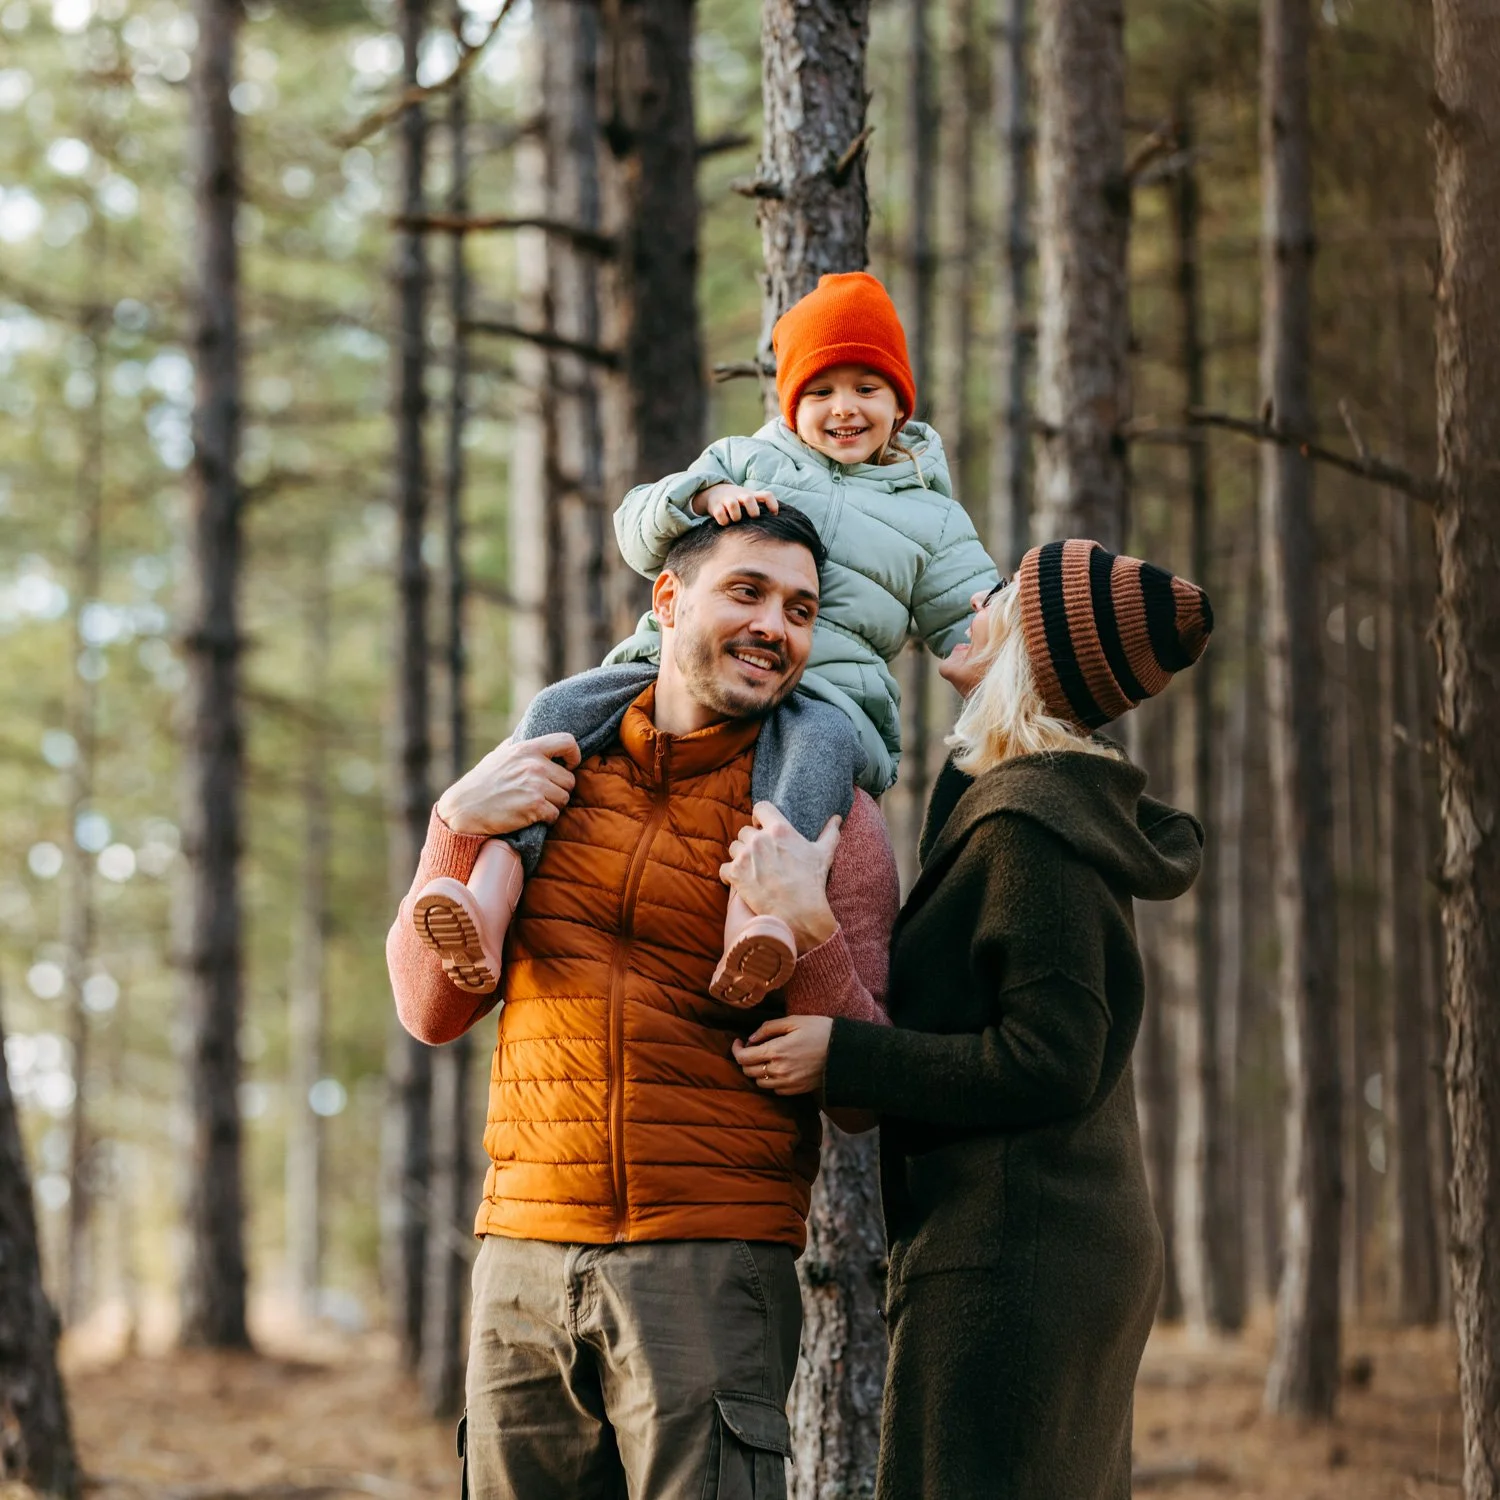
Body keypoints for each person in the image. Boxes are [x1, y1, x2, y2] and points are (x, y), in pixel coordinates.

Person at [386, 507, 900, 1500]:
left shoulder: (834, 819)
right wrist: (453, 828)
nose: (775, 627)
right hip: (522, 1258)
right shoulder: (546, 774)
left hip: (712, 1262)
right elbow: (430, 1012)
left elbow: (861, 1092)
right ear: (669, 598)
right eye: (747, 592)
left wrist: (810, 925)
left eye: (800, 611)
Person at [726, 538, 1213, 1500]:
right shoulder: (1027, 800)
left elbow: (1051, 1060)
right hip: (1042, 1237)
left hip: (1019, 1252)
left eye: (1003, 599)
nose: (974, 605)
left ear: (1030, 650)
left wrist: (848, 1054)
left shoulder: (1035, 829)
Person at [408, 271, 998, 1010]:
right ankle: (487, 900)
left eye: (867, 388)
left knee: (806, 779)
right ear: (790, 402)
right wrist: (700, 496)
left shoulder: (931, 518)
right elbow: (636, 528)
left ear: (900, 403)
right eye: (820, 391)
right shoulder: (748, 460)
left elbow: (972, 610)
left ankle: (755, 928)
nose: (844, 408)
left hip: (826, 701)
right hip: (663, 672)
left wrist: (996, 641)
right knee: (557, 710)